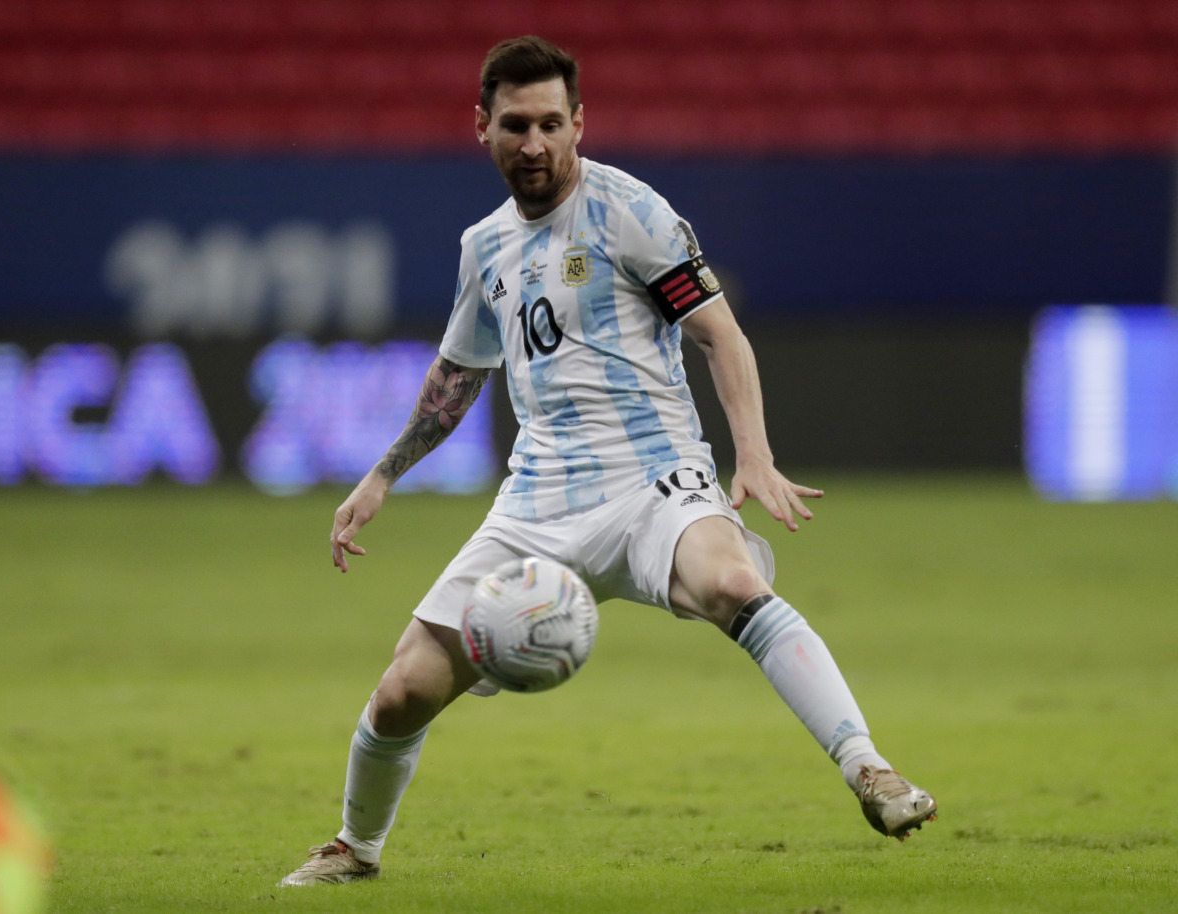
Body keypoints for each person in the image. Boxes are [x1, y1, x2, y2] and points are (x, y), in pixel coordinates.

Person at [279, 35, 936, 887]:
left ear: (580, 124)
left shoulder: (631, 213)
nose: (536, 144)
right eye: (516, 125)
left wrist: (755, 456)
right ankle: (355, 850)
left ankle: (870, 771)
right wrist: (382, 475)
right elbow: (458, 373)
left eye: (553, 123)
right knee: (404, 689)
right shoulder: (484, 248)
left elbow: (718, 334)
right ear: (481, 126)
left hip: (654, 477)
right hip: (538, 500)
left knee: (737, 584)